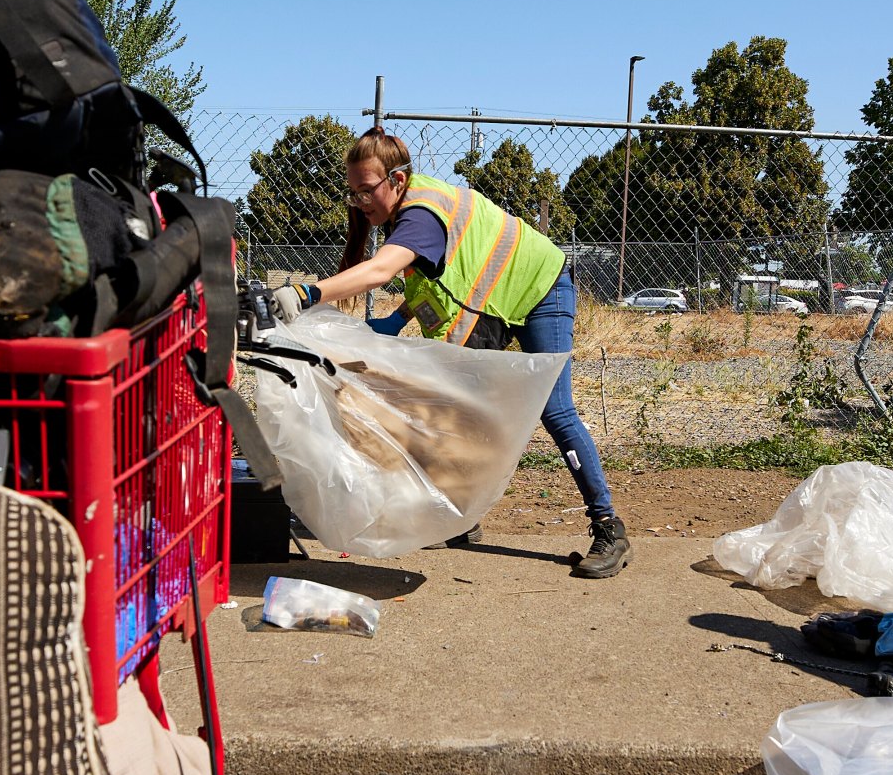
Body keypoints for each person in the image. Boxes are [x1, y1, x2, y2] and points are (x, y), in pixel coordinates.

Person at [267, 128, 631, 579]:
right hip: (497, 299)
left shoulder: (420, 212)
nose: (360, 201)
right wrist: (395, 323)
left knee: (556, 411)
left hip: (540, 289)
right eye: (353, 193)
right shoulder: (410, 211)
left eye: (367, 190)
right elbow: (439, 275)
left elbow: (383, 269)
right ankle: (464, 517)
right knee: (459, 410)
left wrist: (308, 293)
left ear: (397, 181)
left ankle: (608, 527)